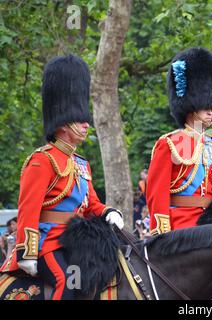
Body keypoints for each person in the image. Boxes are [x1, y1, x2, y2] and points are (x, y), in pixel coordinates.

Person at [0, 55, 124, 300]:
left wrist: (108, 212)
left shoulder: (80, 163)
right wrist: (28, 252)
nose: (87, 124)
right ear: (63, 122)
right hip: (49, 243)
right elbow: (28, 210)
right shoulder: (42, 160)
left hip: (77, 243)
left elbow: (91, 205)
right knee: (66, 281)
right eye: (80, 119)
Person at [146, 47, 212, 234]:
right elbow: (157, 192)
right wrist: (162, 232)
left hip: (211, 222)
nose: (210, 111)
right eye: (205, 105)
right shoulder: (169, 143)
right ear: (191, 105)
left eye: (211, 106)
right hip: (180, 225)